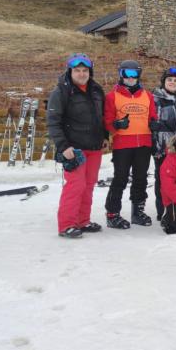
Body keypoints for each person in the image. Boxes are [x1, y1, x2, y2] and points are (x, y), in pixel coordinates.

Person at [48, 53, 107, 238]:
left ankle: (83, 220)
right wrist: (63, 146)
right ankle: (67, 225)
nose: (81, 74)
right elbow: (53, 121)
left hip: (94, 146)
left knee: (89, 185)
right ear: (70, 71)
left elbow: (101, 116)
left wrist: (104, 136)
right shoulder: (61, 92)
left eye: (85, 70)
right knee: (75, 186)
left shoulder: (96, 90)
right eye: (77, 70)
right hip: (74, 149)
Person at [103, 59, 157, 229]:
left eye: (135, 74)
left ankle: (137, 211)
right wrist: (116, 125)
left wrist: (155, 124)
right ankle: (112, 214)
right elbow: (107, 121)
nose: (131, 78)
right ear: (121, 75)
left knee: (141, 179)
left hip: (144, 143)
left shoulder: (148, 95)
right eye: (126, 74)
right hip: (123, 144)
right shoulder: (112, 96)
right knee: (120, 178)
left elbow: (153, 116)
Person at [151, 66, 176, 221]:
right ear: (163, 82)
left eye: (175, 80)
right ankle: (162, 209)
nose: (172, 82)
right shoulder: (155, 98)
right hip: (162, 146)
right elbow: (152, 123)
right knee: (163, 178)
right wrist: (156, 146)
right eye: (169, 80)